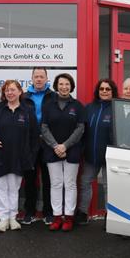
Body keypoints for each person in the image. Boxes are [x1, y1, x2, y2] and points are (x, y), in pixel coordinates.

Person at [0, 80, 39, 232]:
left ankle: (13, 218)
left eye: (13, 90)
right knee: (0, 188)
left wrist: (31, 156)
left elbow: (34, 136)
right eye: (7, 90)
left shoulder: (27, 111)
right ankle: (3, 218)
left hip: (18, 157)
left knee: (14, 188)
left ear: (20, 92)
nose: (10, 93)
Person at [40, 73, 85, 232]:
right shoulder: (48, 105)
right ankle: (57, 216)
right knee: (56, 183)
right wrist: (56, 146)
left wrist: (65, 146)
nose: (64, 87)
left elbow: (80, 129)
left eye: (67, 84)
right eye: (61, 84)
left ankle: (69, 216)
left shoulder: (78, 106)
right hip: (52, 150)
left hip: (72, 151)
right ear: (56, 86)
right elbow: (44, 128)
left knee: (70, 184)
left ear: (71, 86)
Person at [76, 78, 118, 225]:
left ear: (113, 91)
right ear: (97, 91)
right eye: (102, 89)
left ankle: (109, 215)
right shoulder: (89, 108)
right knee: (85, 182)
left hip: (109, 156)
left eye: (108, 89)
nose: (104, 91)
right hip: (90, 155)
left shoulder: (116, 108)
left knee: (108, 186)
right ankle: (83, 212)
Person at [20, 67, 56, 225]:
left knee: (49, 180)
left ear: (47, 78)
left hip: (48, 143)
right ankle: (29, 212)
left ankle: (48, 212)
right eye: (36, 76)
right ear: (32, 78)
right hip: (30, 144)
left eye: (42, 76)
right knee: (30, 180)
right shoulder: (24, 97)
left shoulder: (54, 97)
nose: (39, 79)